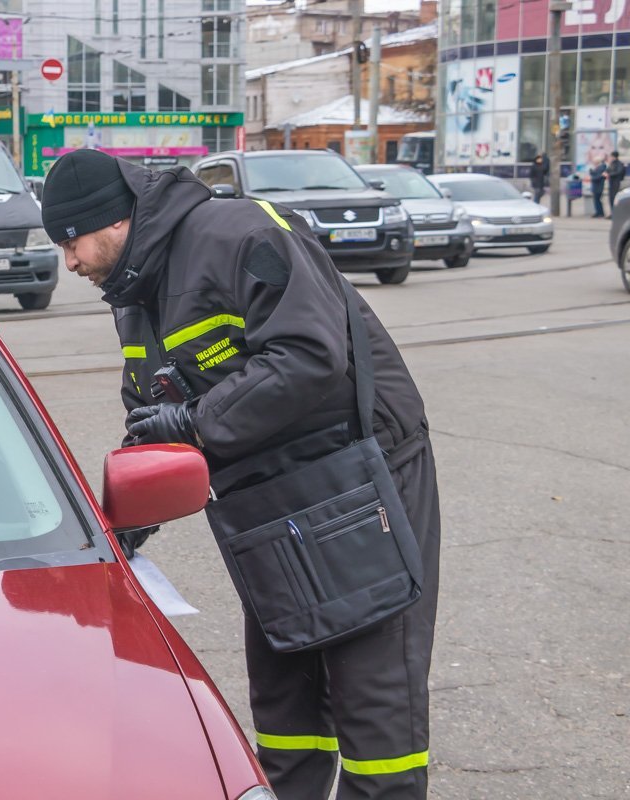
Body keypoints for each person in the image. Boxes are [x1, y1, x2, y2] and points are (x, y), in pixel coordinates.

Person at [40, 149, 441, 800]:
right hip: (269, 507)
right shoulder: (138, 295)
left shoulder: (240, 235)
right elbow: (151, 416)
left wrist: (195, 424)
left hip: (361, 485)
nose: (71, 263)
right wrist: (117, 526)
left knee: (375, 707)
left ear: (113, 221)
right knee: (286, 710)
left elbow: (309, 356)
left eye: (71, 241)